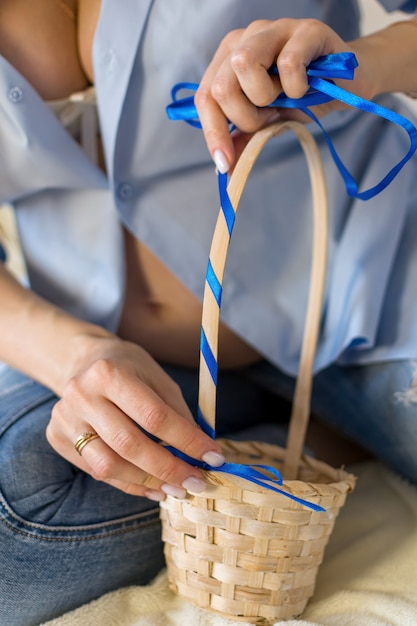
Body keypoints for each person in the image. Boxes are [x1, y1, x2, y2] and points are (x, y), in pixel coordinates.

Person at [0, 1, 417, 624]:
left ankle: (296, 441)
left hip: (363, 291)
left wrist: (373, 63)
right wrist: (77, 356)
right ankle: (303, 443)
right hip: (110, 353)